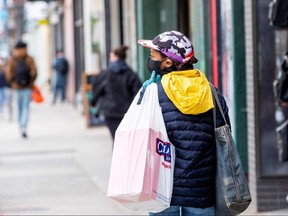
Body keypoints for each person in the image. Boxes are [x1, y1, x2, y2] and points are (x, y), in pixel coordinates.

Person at [137, 30, 231, 216]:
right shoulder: (213, 93)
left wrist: (143, 97)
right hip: (202, 192)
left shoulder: (154, 93)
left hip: (162, 191)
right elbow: (223, 137)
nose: (150, 60)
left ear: (168, 62)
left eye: (152, 56)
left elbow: (140, 137)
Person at [91, 45, 142, 141]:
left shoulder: (106, 73)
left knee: (116, 139)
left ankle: (118, 155)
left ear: (115, 57)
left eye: (111, 57)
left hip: (110, 112)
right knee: (126, 139)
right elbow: (139, 92)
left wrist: (93, 102)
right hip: (126, 112)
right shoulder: (130, 73)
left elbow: (97, 88)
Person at [5, 40, 37, 138]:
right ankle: (24, 126)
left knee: (18, 108)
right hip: (27, 87)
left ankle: (20, 127)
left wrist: (12, 83)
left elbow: (9, 74)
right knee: (26, 108)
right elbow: (35, 72)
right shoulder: (29, 58)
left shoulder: (12, 59)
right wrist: (31, 83)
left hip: (16, 88)